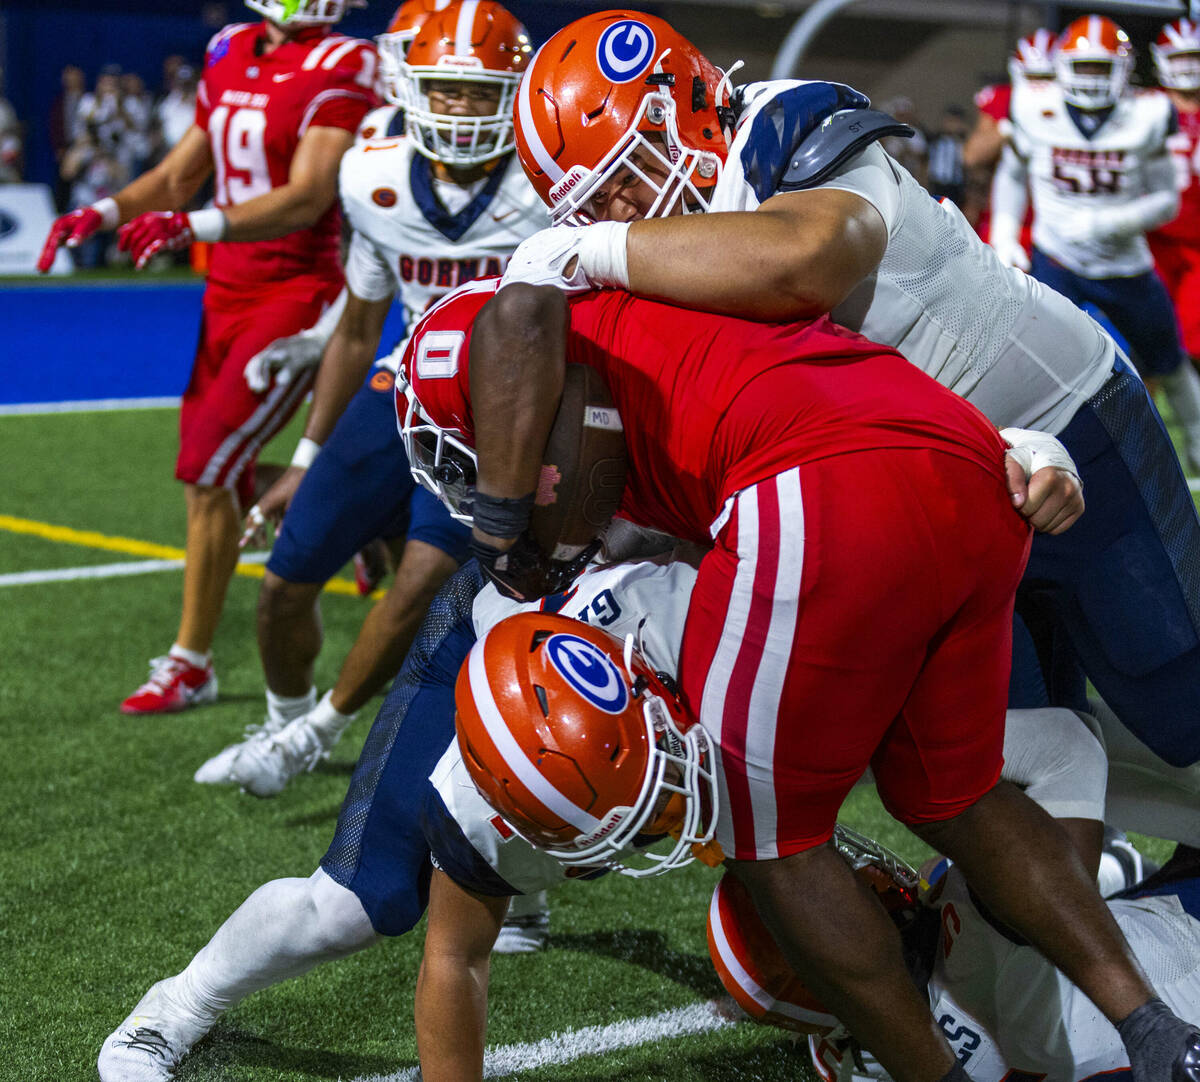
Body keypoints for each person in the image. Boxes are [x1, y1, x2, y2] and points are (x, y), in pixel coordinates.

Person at [401, 262, 1200, 1082]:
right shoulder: (647, 387)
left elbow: (523, 310)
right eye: (651, 822)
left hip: (828, 490)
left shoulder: (567, 306)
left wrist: (500, 521)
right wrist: (1018, 447)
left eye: (654, 788)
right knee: (953, 793)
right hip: (953, 453)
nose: (666, 812)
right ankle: (1157, 1033)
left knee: (770, 839)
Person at [501, 10, 1200, 770]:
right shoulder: (649, 255)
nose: (624, 213)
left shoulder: (783, 128)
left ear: (688, 113)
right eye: (594, 206)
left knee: (1178, 711)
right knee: (1012, 761)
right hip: (939, 488)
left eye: (627, 178)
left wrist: (588, 248)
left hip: (1062, 417)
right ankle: (1117, 880)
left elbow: (810, 258)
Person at [95, 553, 697, 1082]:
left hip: (639, 653)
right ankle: (175, 1006)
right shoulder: (492, 779)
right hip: (502, 644)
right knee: (351, 906)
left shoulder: (736, 658)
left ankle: (538, 872)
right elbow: (456, 958)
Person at [191, 0, 547, 802]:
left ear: (513, 93)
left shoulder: (550, 180)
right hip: (405, 382)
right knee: (283, 583)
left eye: (478, 90)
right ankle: (285, 725)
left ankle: (313, 734)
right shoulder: (372, 170)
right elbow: (358, 327)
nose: (458, 109)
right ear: (411, 88)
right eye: (443, 90)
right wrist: (309, 457)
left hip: (501, 410)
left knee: (420, 582)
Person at [37, 0, 379, 714]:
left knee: (205, 473)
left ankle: (192, 661)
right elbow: (175, 175)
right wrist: (101, 213)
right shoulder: (230, 48)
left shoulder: (342, 62)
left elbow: (310, 197)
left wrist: (192, 224)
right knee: (222, 466)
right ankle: (363, 515)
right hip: (225, 291)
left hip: (295, 292)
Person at [992, 14, 1200, 472]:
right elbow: (1012, 172)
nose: (1090, 77)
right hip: (1056, 260)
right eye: (1082, 66)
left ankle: (1198, 449)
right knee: (1038, 365)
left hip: (1126, 264)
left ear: (1123, 70)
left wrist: (1112, 222)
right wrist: (1004, 232)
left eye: (1100, 68)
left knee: (1169, 360)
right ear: (1063, 66)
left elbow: (1167, 199)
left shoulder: (1148, 113)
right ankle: (1035, 457)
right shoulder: (1031, 104)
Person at [1150, 19, 1200, 393]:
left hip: (1196, 244)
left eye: (1194, 56)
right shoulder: (1143, 107)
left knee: (1194, 340)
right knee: (1145, 337)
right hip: (1148, 239)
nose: (1187, 66)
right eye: (1179, 57)